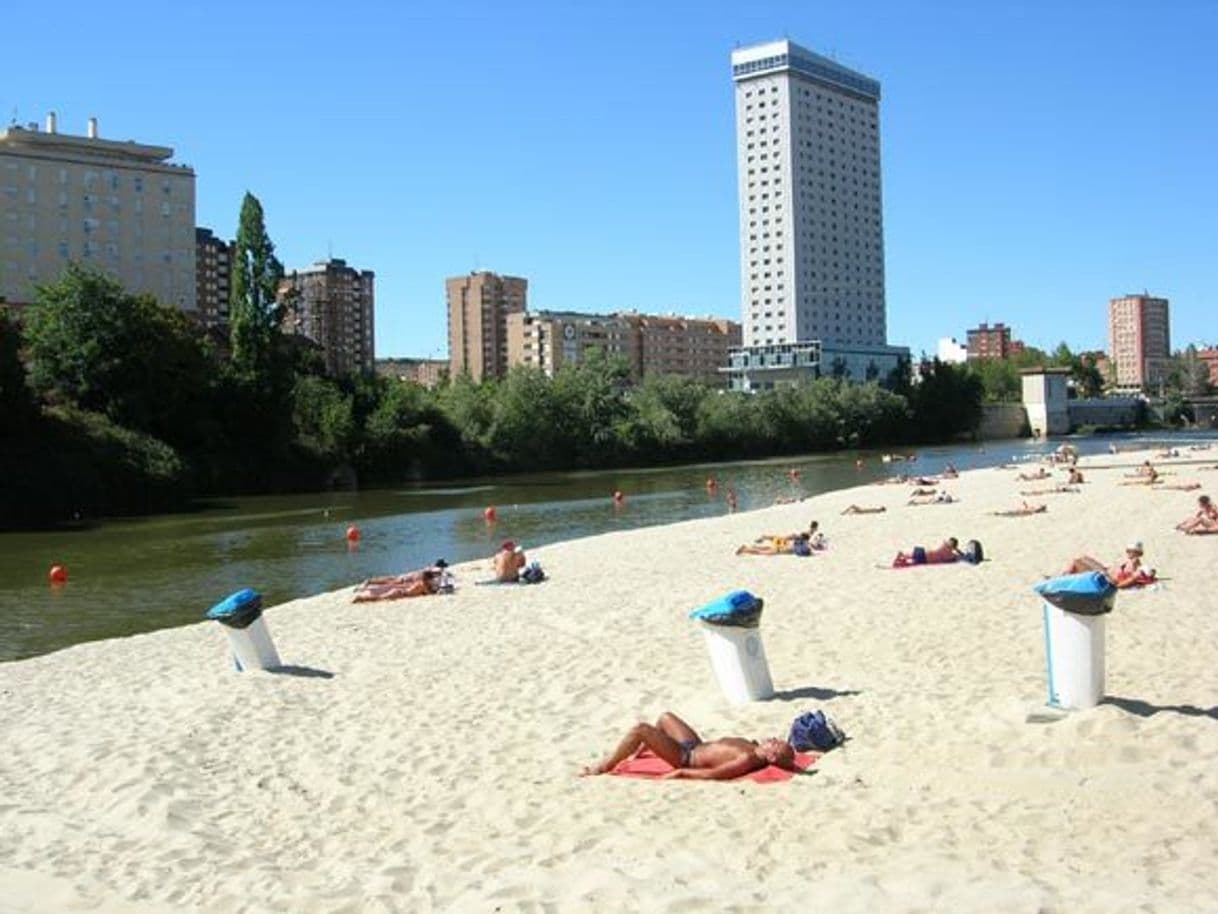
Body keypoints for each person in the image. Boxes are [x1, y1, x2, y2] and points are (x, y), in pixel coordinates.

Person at [580, 711, 797, 779]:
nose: (775, 740)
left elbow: (715, 774)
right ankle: (640, 750)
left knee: (641, 729)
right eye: (778, 741)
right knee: (665, 718)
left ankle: (605, 765)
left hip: (686, 758)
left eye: (776, 746)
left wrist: (681, 773)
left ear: (771, 758)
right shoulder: (753, 747)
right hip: (694, 745)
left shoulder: (747, 759)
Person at [353, 561, 448, 602]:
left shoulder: (422, 579)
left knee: (383, 589)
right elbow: (430, 593)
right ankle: (362, 596)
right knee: (381, 596)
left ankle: (366, 589)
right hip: (401, 589)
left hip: (402, 587)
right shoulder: (423, 584)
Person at [1064, 541, 1144, 585]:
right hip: (1104, 571)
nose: (1129, 553)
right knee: (1083, 558)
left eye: (1131, 551)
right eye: (1128, 551)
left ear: (1137, 553)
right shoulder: (1129, 562)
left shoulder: (1134, 564)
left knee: (1077, 561)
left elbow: (1121, 580)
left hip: (1104, 576)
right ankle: (1066, 578)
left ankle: (1064, 579)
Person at [893, 538, 962, 567]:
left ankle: (902, 557)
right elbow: (954, 557)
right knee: (914, 560)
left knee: (913, 557)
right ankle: (902, 560)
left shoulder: (944, 546)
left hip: (928, 554)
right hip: (928, 557)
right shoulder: (948, 552)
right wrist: (958, 551)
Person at [736, 531, 812, 556]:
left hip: (780, 546)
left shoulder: (798, 541)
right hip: (779, 549)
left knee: (765, 548)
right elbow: (804, 551)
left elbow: (789, 537)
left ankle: (750, 547)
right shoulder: (802, 544)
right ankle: (745, 549)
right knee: (761, 552)